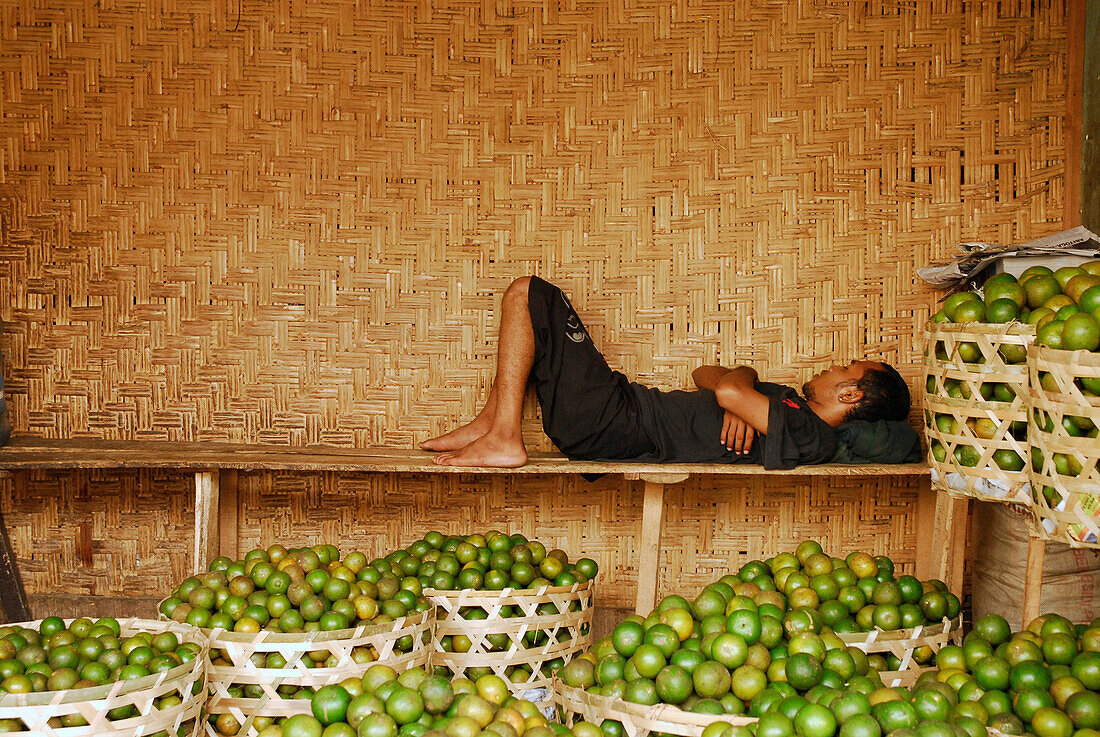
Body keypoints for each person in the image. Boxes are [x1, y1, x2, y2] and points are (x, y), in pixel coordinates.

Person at [420, 276, 911, 469]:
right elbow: (704, 374)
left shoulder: (814, 436)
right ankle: (492, 422)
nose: (831, 367)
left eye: (845, 368)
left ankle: (503, 435)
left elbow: (727, 392)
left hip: (620, 421)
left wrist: (738, 391)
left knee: (529, 293)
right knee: (526, 299)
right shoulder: (788, 407)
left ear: (850, 394)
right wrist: (742, 383)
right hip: (621, 412)